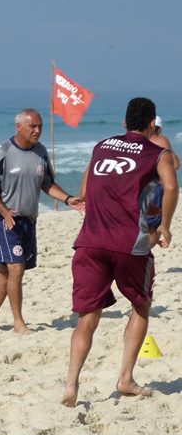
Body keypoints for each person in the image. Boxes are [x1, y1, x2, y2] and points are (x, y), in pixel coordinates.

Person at [61, 97, 178, 407]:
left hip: (89, 242)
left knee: (87, 316)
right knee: (141, 306)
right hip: (130, 244)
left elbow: (85, 191)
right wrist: (165, 227)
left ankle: (71, 385)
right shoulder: (159, 152)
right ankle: (125, 378)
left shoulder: (101, 146)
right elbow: (171, 187)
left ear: (124, 122)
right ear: (153, 123)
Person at [0, 109, 83, 333]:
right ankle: (19, 323)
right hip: (4, 220)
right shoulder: (4, 151)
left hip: (29, 219)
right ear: (19, 127)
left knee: (5, 271)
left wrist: (67, 199)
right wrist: (5, 212)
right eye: (33, 126)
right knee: (16, 268)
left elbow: (47, 184)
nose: (37, 130)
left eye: (40, 126)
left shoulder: (41, 152)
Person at [146, 115, 180, 245]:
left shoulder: (136, 141)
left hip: (136, 188)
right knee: (153, 229)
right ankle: (143, 256)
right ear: (159, 129)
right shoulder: (161, 140)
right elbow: (175, 164)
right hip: (154, 189)